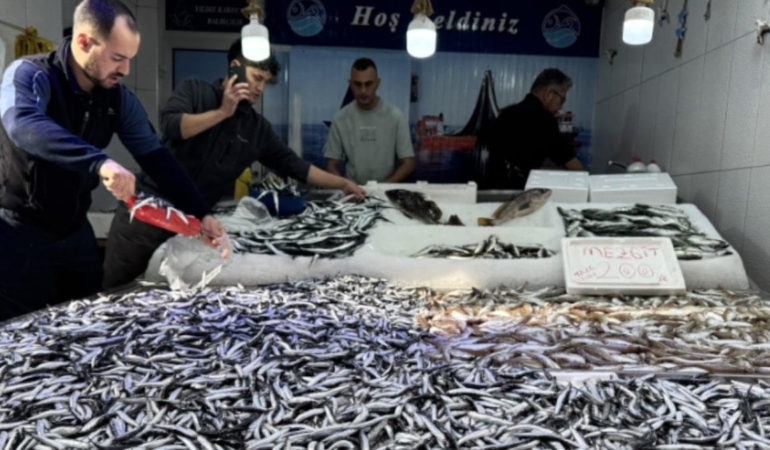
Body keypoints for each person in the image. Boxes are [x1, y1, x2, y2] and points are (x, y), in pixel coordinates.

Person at [0, 0, 227, 321]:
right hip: (19, 232)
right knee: (24, 332)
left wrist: (201, 213)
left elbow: (158, 160)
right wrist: (100, 163)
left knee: (91, 322)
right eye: (118, 58)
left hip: (75, 232)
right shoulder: (30, 74)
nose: (125, 70)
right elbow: (22, 124)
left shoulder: (117, 98)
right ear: (84, 42)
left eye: (129, 59)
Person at [102, 39, 366, 290]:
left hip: (191, 227)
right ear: (235, 68)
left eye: (266, 82)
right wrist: (222, 112)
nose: (260, 88)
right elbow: (172, 126)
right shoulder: (195, 90)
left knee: (168, 300)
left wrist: (342, 183)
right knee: (116, 291)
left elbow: (296, 166)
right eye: (256, 78)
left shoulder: (257, 129)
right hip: (144, 217)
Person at [486, 68, 584, 189]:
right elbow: (571, 164)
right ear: (548, 94)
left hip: (492, 189)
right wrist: (584, 181)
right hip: (519, 192)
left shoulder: (505, 113)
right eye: (562, 99)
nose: (561, 106)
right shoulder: (545, 120)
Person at [324, 58, 415, 185]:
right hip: (352, 191)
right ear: (350, 84)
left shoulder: (396, 117)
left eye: (368, 84)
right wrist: (347, 186)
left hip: (385, 191)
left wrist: (382, 188)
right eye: (358, 84)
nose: (363, 90)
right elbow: (331, 164)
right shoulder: (340, 119)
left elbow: (409, 163)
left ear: (378, 83)